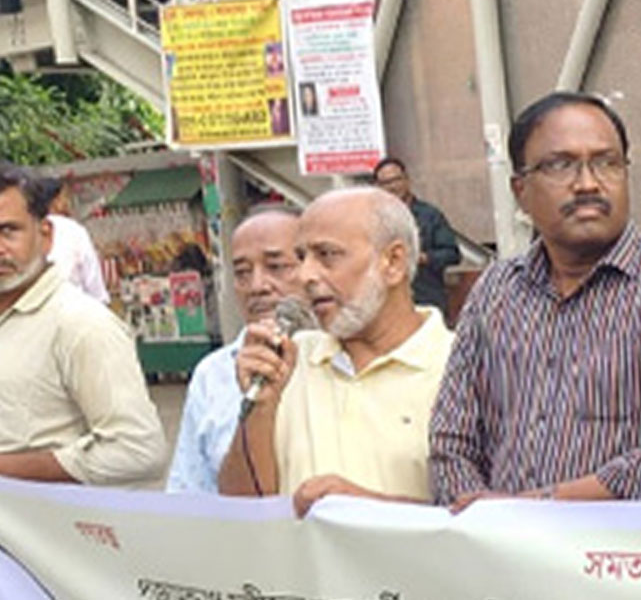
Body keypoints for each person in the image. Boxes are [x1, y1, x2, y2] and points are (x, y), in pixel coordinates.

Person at [429, 92, 641, 511]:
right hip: (500, 543)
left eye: (607, 163)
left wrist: (540, 508)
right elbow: (451, 441)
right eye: (560, 165)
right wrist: (483, 515)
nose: (588, 183)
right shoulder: (496, 289)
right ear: (521, 191)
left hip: (626, 547)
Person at [218, 187, 454, 516]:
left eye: (326, 255)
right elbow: (242, 510)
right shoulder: (288, 361)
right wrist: (260, 409)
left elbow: (487, 519)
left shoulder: (460, 366)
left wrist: (366, 510)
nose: (305, 275)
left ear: (393, 262)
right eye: (301, 257)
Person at [0, 162, 166, 485]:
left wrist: (10, 470)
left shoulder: (81, 324)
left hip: (41, 516)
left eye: (8, 231)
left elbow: (138, 450)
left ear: (45, 235)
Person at [166, 205, 302, 493]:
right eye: (242, 273)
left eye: (276, 267)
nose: (257, 286)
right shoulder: (212, 374)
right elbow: (190, 494)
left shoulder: (340, 360)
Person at [373, 157, 462, 317]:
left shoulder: (430, 215)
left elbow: (452, 254)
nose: (392, 187)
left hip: (427, 299)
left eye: (396, 180)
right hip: (386, 304)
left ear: (407, 180)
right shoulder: (372, 219)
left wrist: (423, 258)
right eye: (385, 183)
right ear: (377, 187)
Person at [40, 177, 109, 304]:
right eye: (65, 197)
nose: (68, 203)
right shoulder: (73, 230)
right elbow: (93, 280)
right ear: (55, 201)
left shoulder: (28, 229)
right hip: (75, 306)